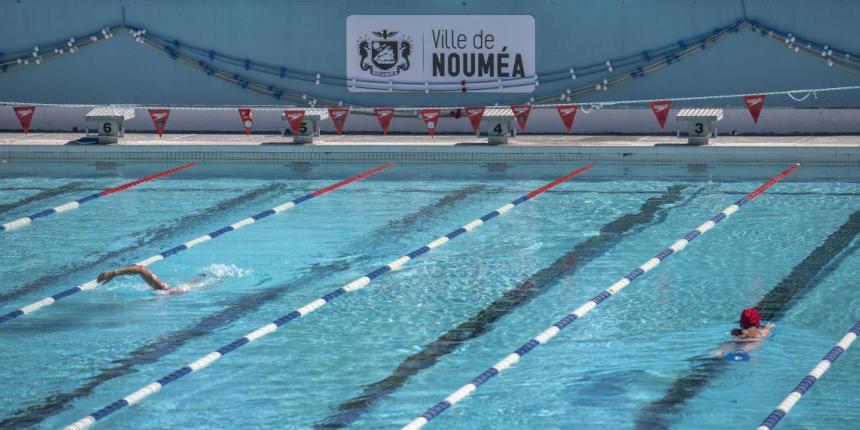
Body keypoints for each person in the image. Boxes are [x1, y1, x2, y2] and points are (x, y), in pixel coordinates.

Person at [98, 265, 171, 291]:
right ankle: (111, 273)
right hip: (168, 291)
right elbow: (141, 269)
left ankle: (130, 268)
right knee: (141, 270)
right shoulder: (164, 290)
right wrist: (113, 273)